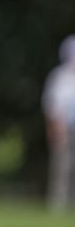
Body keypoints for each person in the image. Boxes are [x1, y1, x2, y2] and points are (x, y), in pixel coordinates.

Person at [44, 35, 75, 212]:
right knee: (62, 165)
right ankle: (59, 202)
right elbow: (52, 105)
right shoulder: (59, 77)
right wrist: (54, 128)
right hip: (64, 127)